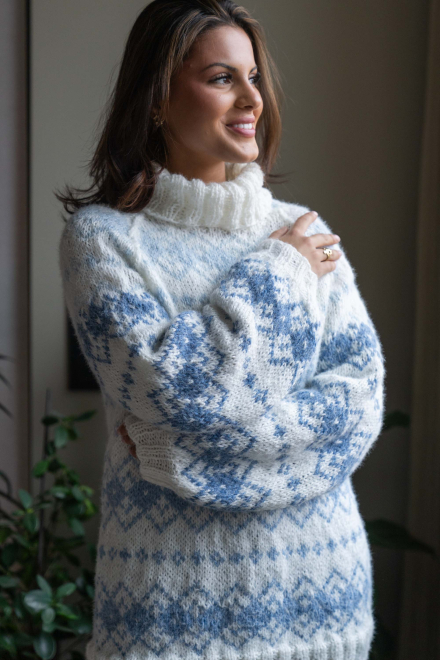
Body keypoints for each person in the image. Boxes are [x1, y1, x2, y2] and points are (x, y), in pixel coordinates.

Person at [57, 1, 386, 659]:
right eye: (221, 78)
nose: (252, 99)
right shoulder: (103, 241)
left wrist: (173, 456)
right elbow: (179, 392)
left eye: (253, 77)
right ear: (157, 97)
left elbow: (356, 408)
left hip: (321, 597)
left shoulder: (305, 230)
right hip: (170, 614)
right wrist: (278, 271)